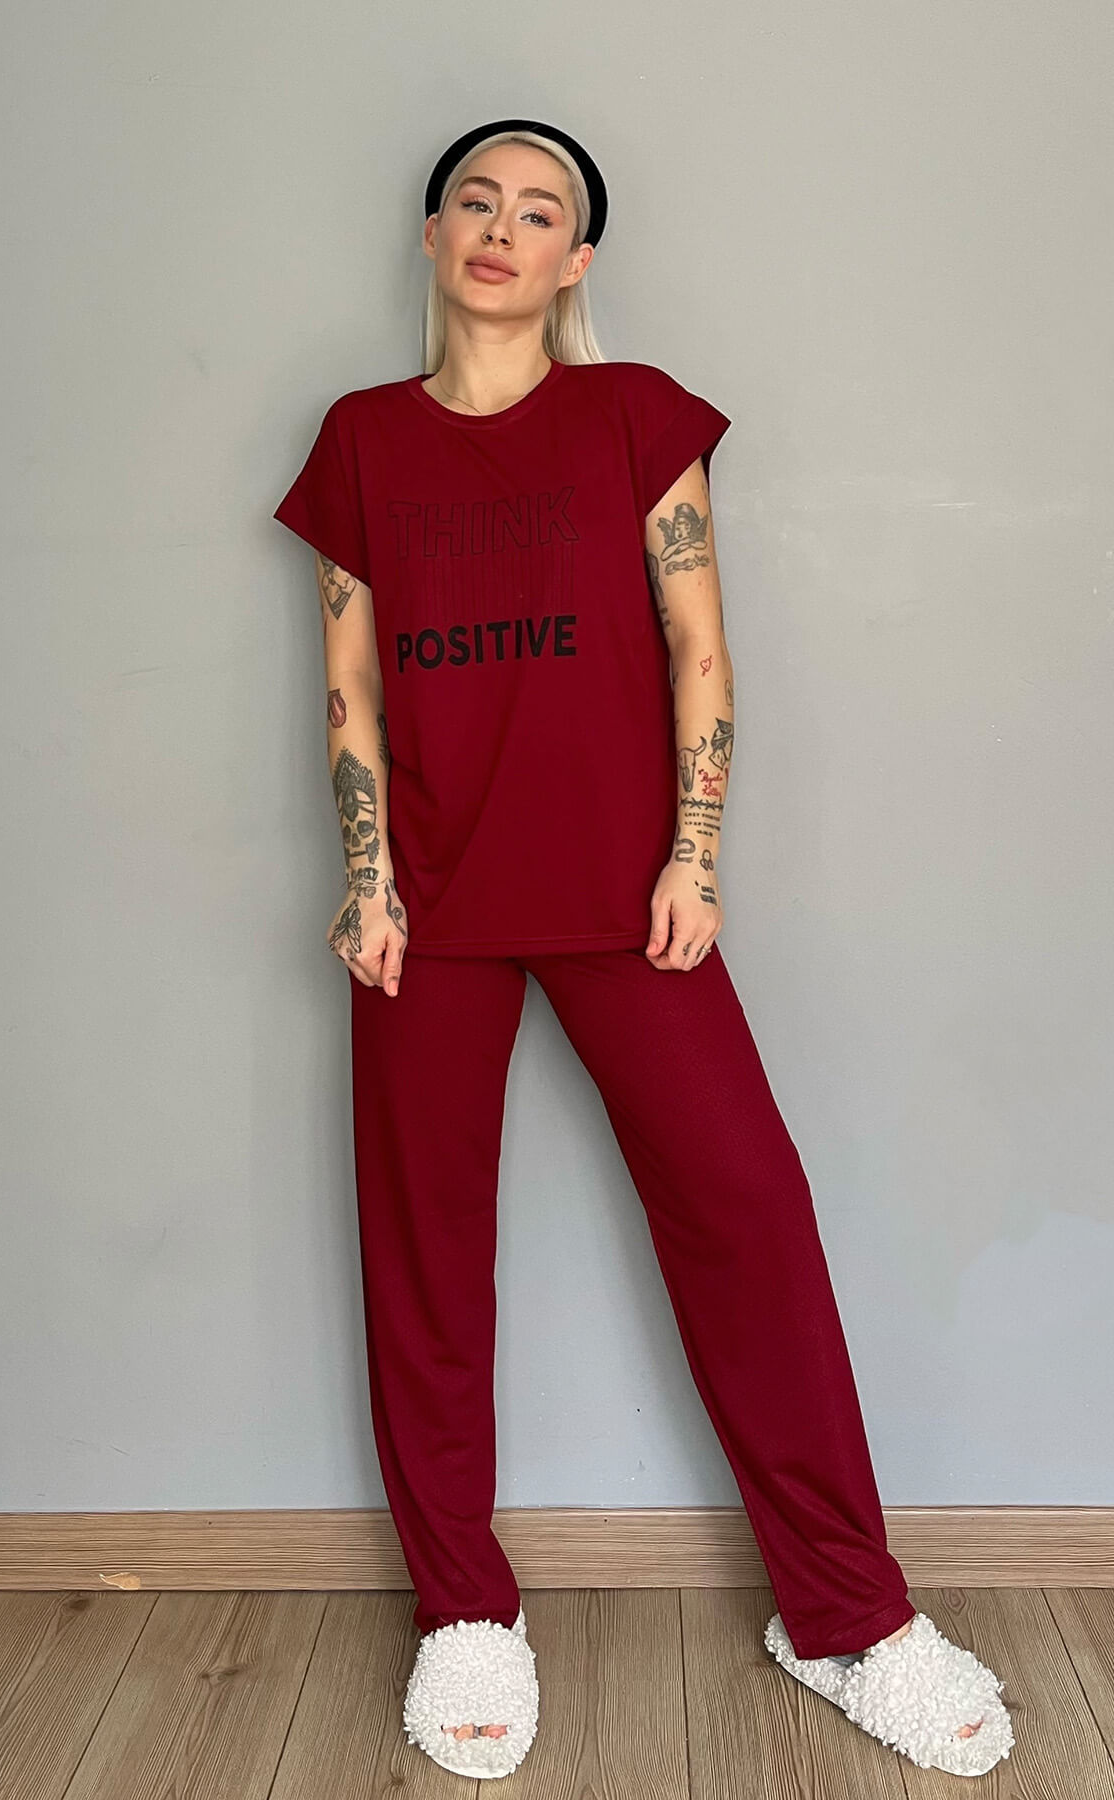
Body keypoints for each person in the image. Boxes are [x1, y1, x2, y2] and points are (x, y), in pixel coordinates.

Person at [272, 118, 1014, 1783]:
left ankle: (848, 1615)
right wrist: (366, 876)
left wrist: (696, 851)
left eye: (540, 211)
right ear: (433, 232)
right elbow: (351, 681)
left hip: (628, 892)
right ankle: (464, 1610)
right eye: (477, 200)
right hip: (427, 909)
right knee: (421, 1251)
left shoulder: (633, 416)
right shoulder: (363, 440)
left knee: (746, 1210)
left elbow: (701, 650)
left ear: (576, 261)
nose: (503, 227)